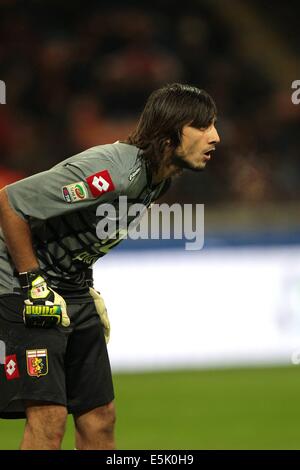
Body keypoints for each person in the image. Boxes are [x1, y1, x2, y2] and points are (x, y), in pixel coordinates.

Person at [0, 83, 220, 450]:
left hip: (68, 286)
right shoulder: (112, 172)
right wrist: (33, 282)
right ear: (168, 133)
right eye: (202, 126)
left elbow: (74, 234)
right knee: (49, 419)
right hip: (22, 285)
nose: (215, 137)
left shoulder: (156, 181)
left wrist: (82, 284)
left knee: (100, 417)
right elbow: (10, 202)